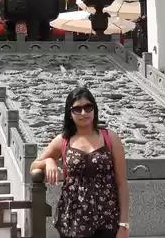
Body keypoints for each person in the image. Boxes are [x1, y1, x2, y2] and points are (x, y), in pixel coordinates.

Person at [30, 87, 129, 238]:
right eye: (77, 109)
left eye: (88, 107)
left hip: (107, 217)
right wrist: (49, 161)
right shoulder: (63, 140)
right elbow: (34, 166)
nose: (83, 113)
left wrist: (124, 224)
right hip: (73, 218)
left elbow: (122, 183)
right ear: (70, 114)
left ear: (94, 109)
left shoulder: (110, 138)